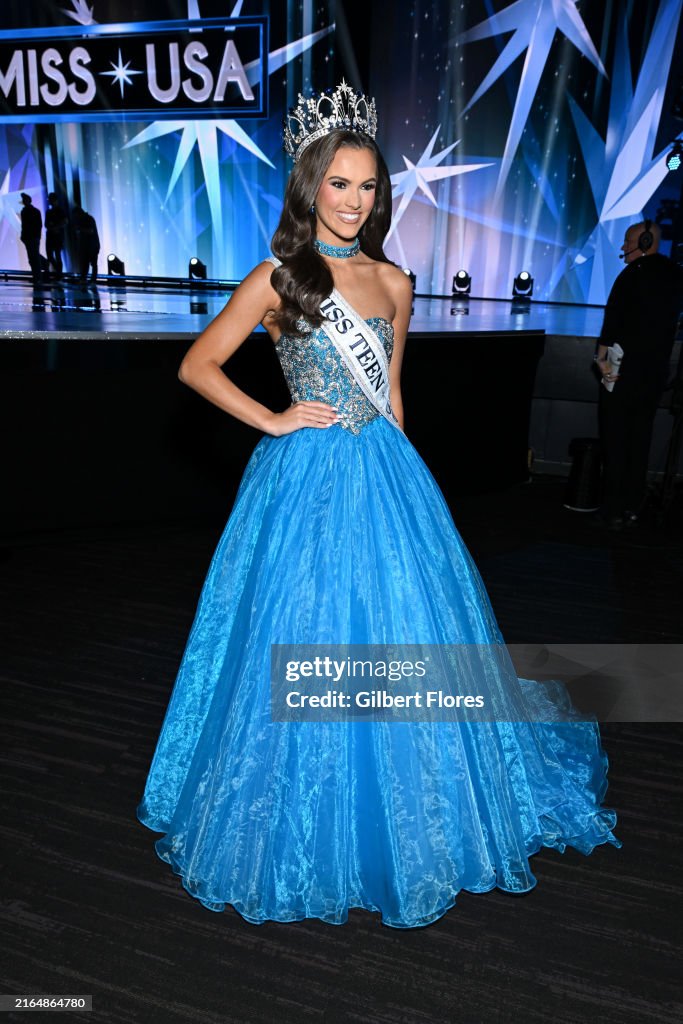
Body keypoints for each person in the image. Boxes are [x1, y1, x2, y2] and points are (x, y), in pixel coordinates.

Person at [137, 82, 620, 928]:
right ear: (310, 188)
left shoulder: (396, 282)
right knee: (297, 634)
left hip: (386, 479)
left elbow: (393, 394)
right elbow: (198, 366)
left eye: (367, 187)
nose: (354, 202)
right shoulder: (280, 277)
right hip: (303, 481)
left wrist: (414, 493)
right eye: (339, 185)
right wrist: (276, 419)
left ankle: (416, 810)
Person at [596, 219, 683, 529]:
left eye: (628, 241)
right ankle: (633, 506)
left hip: (622, 375)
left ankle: (613, 509)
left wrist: (603, 365)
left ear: (644, 242)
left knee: (616, 441)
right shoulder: (674, 275)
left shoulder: (630, 275)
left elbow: (611, 325)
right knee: (640, 441)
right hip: (653, 376)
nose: (623, 247)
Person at [72, 204, 100, 282]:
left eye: (75, 216)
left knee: (92, 264)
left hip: (92, 245)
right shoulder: (85, 220)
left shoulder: (89, 219)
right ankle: (86, 279)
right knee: (87, 264)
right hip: (88, 246)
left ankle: (91, 280)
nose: (75, 218)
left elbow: (91, 231)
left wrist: (80, 229)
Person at [19, 193, 43, 285]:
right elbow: (24, 225)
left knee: (34, 257)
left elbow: (38, 225)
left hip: (32, 237)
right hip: (30, 237)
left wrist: (36, 237)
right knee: (32, 257)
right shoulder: (27, 211)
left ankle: (38, 277)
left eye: (25, 200)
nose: (24, 202)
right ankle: (36, 277)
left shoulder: (31, 211)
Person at [44, 192, 68, 280]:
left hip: (58, 236)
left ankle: (59, 274)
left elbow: (65, 221)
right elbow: (46, 224)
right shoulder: (48, 212)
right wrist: (53, 227)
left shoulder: (60, 210)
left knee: (58, 255)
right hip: (50, 236)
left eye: (50, 199)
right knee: (50, 255)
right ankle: (58, 272)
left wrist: (55, 227)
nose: (49, 201)